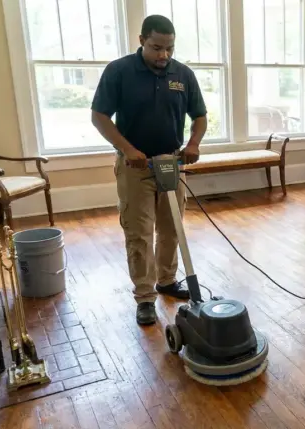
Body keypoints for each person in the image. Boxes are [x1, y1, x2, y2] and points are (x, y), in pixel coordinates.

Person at [90, 15, 207, 325]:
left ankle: (167, 280)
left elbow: (200, 116)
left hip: (172, 162)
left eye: (169, 48)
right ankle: (144, 296)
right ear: (142, 40)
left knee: (172, 227)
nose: (163, 55)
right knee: (139, 231)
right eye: (156, 47)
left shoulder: (183, 74)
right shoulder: (119, 71)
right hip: (135, 165)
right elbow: (99, 116)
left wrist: (193, 144)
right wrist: (128, 149)